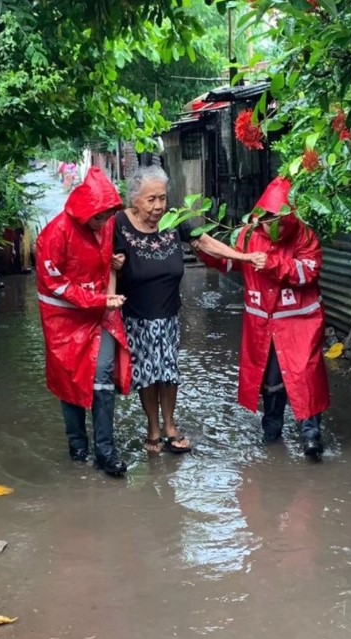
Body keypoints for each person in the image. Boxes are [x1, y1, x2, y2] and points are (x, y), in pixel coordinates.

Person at [111, 165, 261, 454]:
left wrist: (242, 257)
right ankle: (152, 428)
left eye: (162, 198)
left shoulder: (174, 219)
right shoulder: (119, 223)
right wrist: (110, 264)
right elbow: (100, 255)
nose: (158, 206)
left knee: (169, 372)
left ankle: (169, 425)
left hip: (169, 314)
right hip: (136, 315)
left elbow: (204, 242)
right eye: (151, 199)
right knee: (146, 374)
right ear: (134, 200)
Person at [197, 176, 330, 457]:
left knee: (305, 374)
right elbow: (230, 261)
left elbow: (307, 272)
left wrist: (271, 263)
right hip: (263, 325)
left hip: (300, 324)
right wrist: (205, 252)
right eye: (268, 219)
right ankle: (272, 433)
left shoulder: (305, 236)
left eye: (278, 219)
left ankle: (311, 436)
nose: (272, 225)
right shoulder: (247, 235)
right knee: (270, 379)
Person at [35, 167, 132, 477]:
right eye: (99, 217)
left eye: (107, 217)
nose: (104, 223)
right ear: (86, 211)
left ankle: (105, 452)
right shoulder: (55, 234)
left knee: (102, 376)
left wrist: (115, 262)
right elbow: (54, 283)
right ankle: (77, 448)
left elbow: (103, 257)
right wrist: (98, 300)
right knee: (69, 381)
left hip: (98, 312)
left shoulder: (105, 224)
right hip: (64, 319)